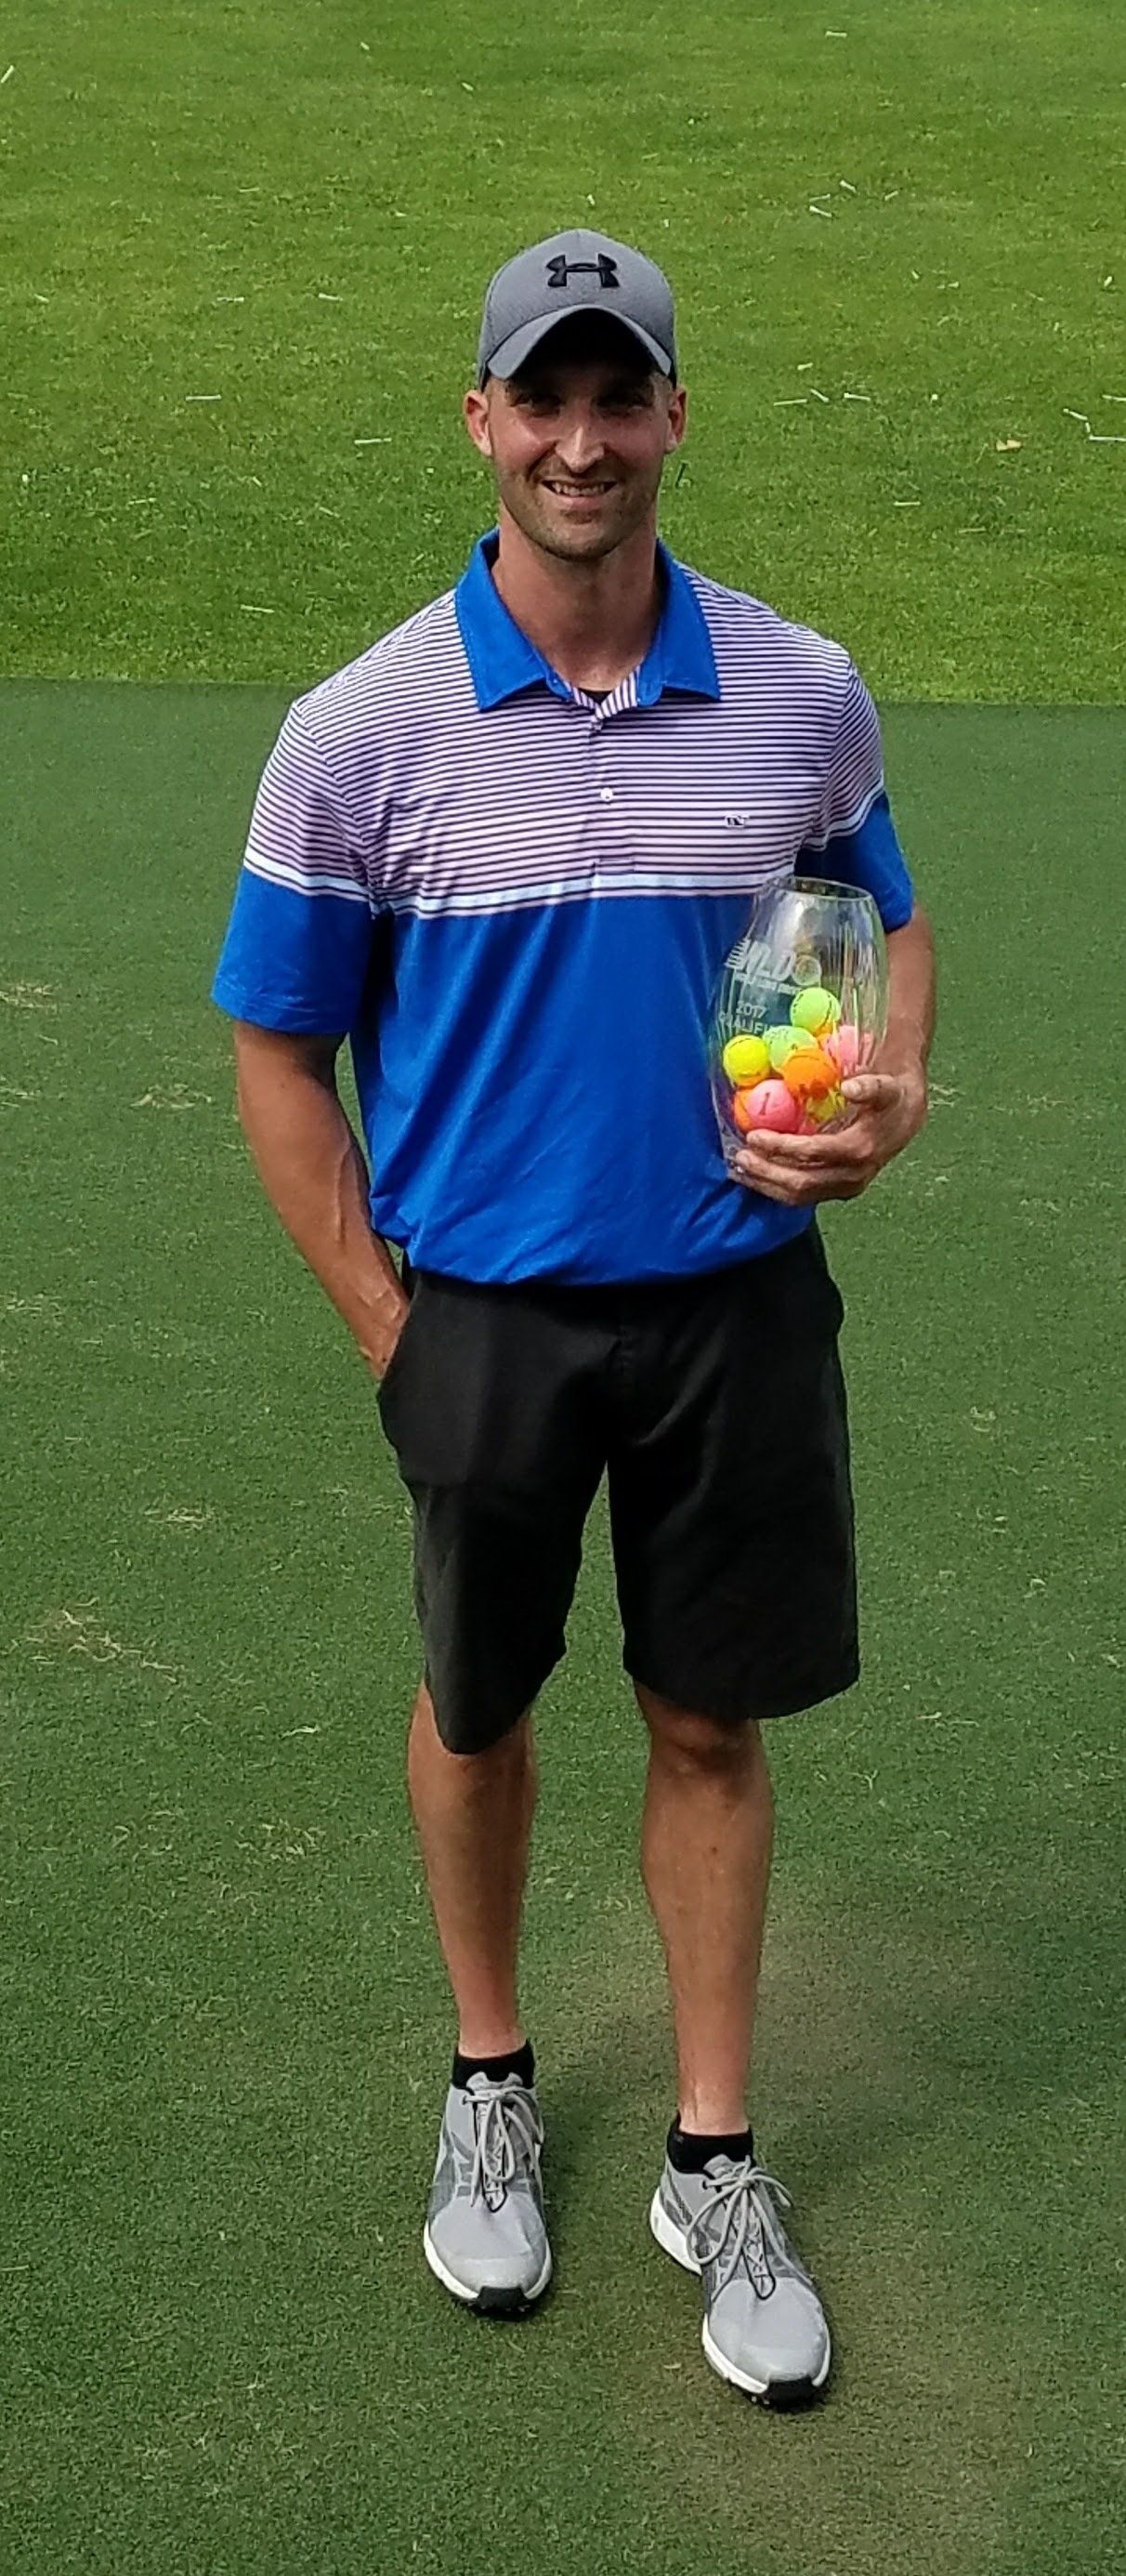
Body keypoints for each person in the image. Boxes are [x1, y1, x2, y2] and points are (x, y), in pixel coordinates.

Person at [210, 229, 935, 2410]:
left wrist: (886, 1105)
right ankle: (491, 2078)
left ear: (676, 421)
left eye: (624, 399)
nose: (584, 440)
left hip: (733, 1309)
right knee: (476, 1706)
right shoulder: (360, 729)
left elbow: (887, 918)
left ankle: (713, 2157)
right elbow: (276, 1044)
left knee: (713, 1725)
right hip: (490, 1320)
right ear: (486, 422)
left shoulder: (800, 690)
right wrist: (382, 1316)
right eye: (548, 398)